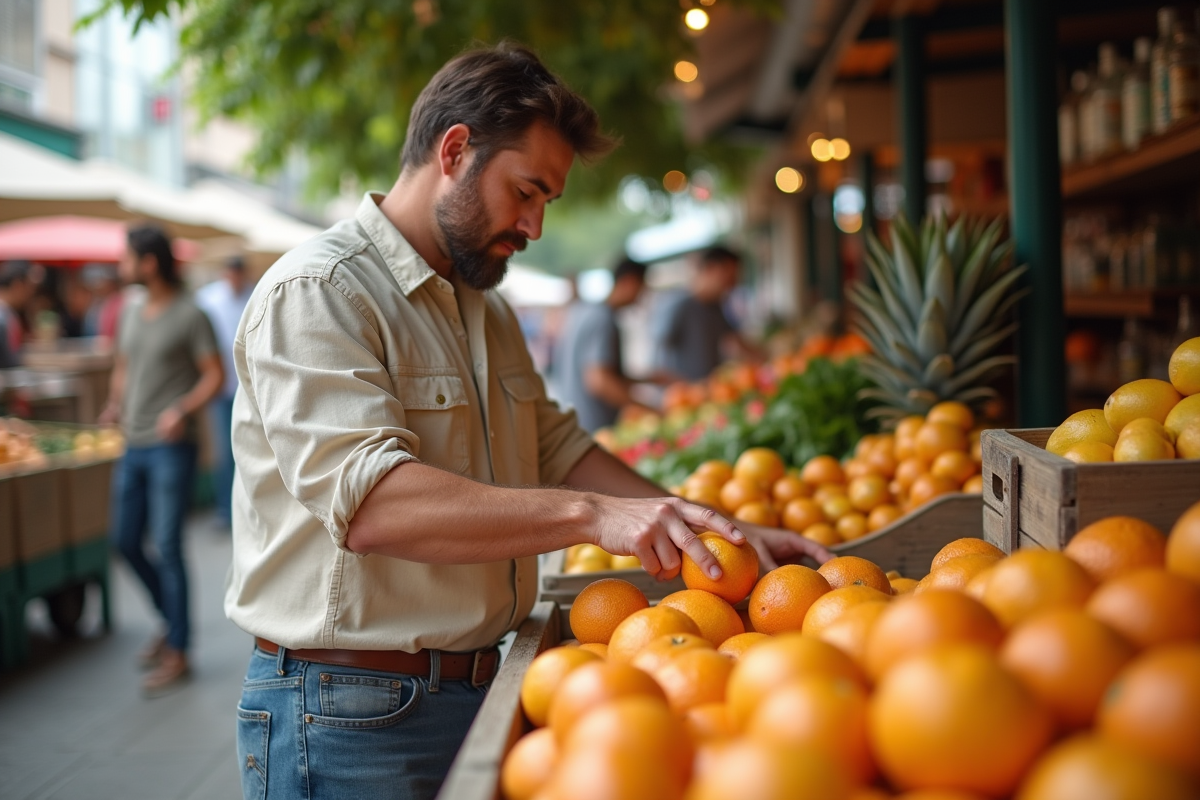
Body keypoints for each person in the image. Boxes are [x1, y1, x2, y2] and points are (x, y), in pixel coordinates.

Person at [225, 43, 830, 800]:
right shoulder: (321, 292)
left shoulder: (487, 308)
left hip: (484, 691)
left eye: (548, 202)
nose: (536, 226)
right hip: (349, 714)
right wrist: (593, 517)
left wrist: (713, 527)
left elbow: (555, 444)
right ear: (454, 152)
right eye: (526, 191)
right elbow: (374, 504)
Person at [100, 225, 224, 696]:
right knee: (125, 540)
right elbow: (124, 366)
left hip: (172, 445)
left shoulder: (191, 315)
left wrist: (181, 410)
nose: (121, 266)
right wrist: (115, 404)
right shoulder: (131, 311)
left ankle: (179, 649)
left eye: (127, 258)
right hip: (132, 445)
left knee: (169, 545)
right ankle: (169, 620)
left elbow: (214, 376)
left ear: (149, 263)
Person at [554, 257, 652, 432]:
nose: (641, 297)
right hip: (597, 429)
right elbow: (600, 382)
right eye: (642, 289)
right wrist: (649, 410)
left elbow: (601, 371)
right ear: (630, 282)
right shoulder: (603, 318)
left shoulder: (581, 313)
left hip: (576, 426)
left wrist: (649, 379)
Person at [196, 254, 254, 529]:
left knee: (249, 448)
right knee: (224, 451)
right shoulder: (208, 300)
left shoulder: (252, 294)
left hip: (248, 387)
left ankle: (248, 508)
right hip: (221, 389)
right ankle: (225, 510)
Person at [652, 245, 759, 382]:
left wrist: (766, 356)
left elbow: (735, 339)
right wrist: (678, 385)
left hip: (709, 391)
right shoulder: (680, 306)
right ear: (710, 268)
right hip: (684, 396)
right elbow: (659, 356)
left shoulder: (716, 307)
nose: (733, 284)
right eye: (729, 276)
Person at [0, 261, 35, 367]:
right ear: (18, 285)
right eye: (29, 286)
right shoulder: (3, 319)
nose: (31, 293)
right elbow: (9, 364)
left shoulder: (8, 314)